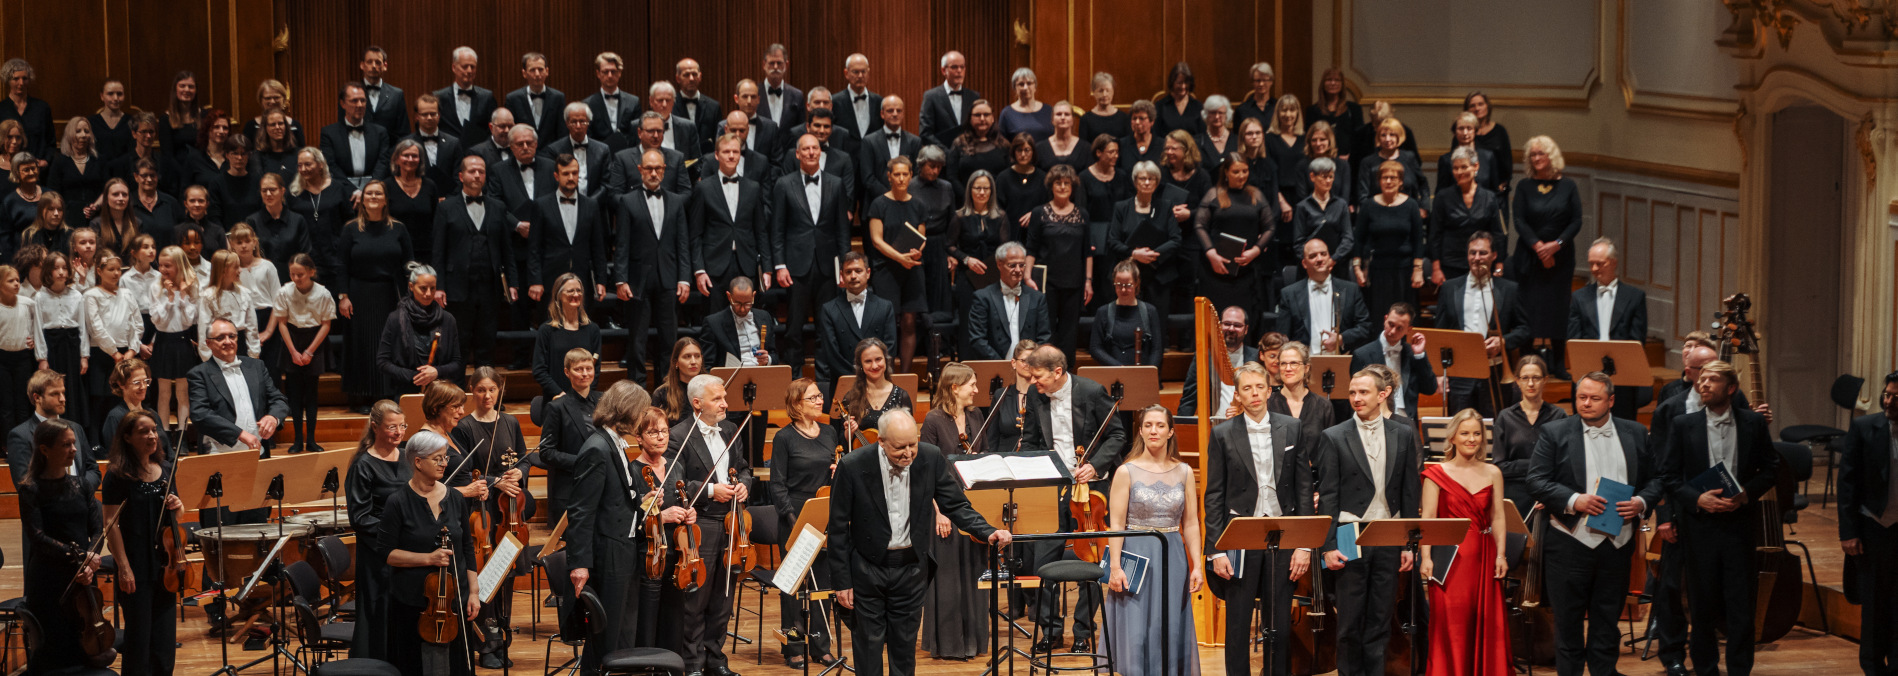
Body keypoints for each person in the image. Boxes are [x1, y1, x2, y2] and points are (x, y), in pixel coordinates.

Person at [829, 408, 1009, 676]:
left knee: (904, 650)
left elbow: (956, 504)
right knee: (868, 649)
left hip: (911, 569)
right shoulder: (853, 465)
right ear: (881, 441)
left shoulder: (930, 457)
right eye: (900, 447)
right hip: (868, 569)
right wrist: (842, 582)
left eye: (913, 444)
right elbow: (838, 528)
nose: (909, 453)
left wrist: (986, 531)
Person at [1527, 372, 1662, 676]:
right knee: (1568, 624)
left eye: (1594, 398)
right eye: (1581, 397)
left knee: (1606, 623)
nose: (1585, 404)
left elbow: (1656, 480)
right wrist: (1575, 499)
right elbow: (1535, 480)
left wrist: (1640, 502)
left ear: (1611, 400)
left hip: (1617, 544)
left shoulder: (1636, 433)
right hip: (1569, 543)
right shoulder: (1555, 432)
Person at [1657, 360, 1778, 676]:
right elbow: (1668, 476)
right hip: (1699, 526)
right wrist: (1698, 499)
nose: (1703, 384)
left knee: (1741, 606)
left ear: (1732, 388)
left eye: (1712, 380)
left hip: (1740, 526)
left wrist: (1746, 494)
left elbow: (1771, 468)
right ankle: (1706, 668)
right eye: (1702, 379)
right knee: (1702, 605)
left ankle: (1740, 669)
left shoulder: (1752, 423)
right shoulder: (1684, 424)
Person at [567, 380, 689, 671]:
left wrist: (643, 501)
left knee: (620, 633)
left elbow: (618, 500)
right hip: (609, 554)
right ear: (628, 412)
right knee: (606, 637)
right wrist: (579, 564)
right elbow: (581, 512)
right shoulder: (597, 448)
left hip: (622, 551)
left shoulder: (613, 444)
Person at [1021, 343, 1128, 653]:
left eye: (1038, 376)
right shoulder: (1035, 395)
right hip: (1053, 488)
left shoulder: (1092, 392)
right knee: (1044, 561)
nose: (1033, 382)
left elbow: (1117, 435)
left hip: (1090, 491)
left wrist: (1094, 466)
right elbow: (1030, 441)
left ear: (1058, 372)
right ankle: (1050, 630)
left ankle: (1083, 630)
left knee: (1092, 559)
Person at [1317, 368, 1423, 676]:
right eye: (1352, 392)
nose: (1356, 398)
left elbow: (1408, 493)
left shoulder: (1402, 433)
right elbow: (1328, 497)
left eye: (1363, 392)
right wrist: (1328, 546)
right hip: (1350, 533)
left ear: (1383, 394)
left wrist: (1408, 544)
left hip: (1388, 534)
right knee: (1349, 621)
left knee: (1380, 618)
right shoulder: (1334, 436)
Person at [1202, 363, 1304, 676]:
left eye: (1259, 387)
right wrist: (1216, 549)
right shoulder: (1222, 433)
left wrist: (1304, 546)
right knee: (1237, 625)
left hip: (1283, 535)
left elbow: (1303, 488)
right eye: (1247, 388)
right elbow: (1214, 495)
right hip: (1240, 537)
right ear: (1238, 394)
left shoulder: (1291, 426)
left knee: (1280, 626)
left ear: (1269, 390)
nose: (1254, 393)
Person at [665, 373, 754, 676]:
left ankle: (716, 659)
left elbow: (743, 469)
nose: (725, 404)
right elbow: (674, 485)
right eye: (718, 399)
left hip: (731, 523)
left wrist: (743, 485)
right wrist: (711, 490)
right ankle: (692, 663)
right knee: (695, 599)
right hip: (700, 524)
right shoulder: (679, 435)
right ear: (697, 402)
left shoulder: (730, 429)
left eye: (724, 398)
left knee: (723, 598)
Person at [378, 429, 481, 676]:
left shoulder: (455, 498)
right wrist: (428, 558)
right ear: (417, 461)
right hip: (412, 601)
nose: (444, 463)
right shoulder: (397, 502)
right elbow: (387, 553)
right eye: (437, 458)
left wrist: (474, 592)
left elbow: (467, 547)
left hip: (455, 600)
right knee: (415, 666)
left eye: (445, 457)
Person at [1418, 409, 1512, 676]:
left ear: (1483, 438)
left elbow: (1498, 516)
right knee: (1452, 624)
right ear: (1453, 437)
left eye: (1476, 434)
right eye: (1465, 433)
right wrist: (1426, 558)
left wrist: (1501, 555)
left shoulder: (1493, 472)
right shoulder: (1436, 474)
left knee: (1485, 622)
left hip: (1484, 556)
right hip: (1449, 560)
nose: (1471, 439)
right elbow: (1428, 519)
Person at [18, 418, 106, 674]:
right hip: (50, 580)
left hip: (84, 576)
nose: (74, 449)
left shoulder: (81, 485)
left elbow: (98, 529)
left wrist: (92, 559)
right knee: (54, 651)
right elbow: (38, 537)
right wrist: (80, 557)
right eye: (66, 445)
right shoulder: (31, 489)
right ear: (44, 449)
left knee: (84, 645)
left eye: (74, 443)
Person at [916, 364, 991, 661]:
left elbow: (984, 457)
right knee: (947, 577)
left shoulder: (976, 416)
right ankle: (948, 644)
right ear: (953, 388)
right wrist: (939, 513)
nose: (976, 389)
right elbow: (925, 471)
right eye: (971, 384)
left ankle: (973, 641)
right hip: (942, 509)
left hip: (972, 507)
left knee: (973, 572)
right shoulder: (934, 420)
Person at [101, 410, 183, 676]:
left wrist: (178, 505)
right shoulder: (117, 475)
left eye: (154, 430)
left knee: (164, 641)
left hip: (165, 566)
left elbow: (177, 517)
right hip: (135, 565)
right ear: (127, 437)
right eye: (143, 431)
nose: (152, 436)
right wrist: (123, 567)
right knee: (139, 640)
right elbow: (110, 524)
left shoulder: (166, 470)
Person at [769, 378, 842, 667]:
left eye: (819, 396)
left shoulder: (829, 432)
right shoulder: (784, 437)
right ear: (797, 404)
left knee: (822, 582)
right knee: (794, 587)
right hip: (794, 514)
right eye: (813, 398)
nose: (820, 401)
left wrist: (839, 473)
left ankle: (820, 646)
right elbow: (777, 484)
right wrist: (792, 518)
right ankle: (794, 647)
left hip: (822, 510)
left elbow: (833, 475)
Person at [770, 133, 852, 371]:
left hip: (827, 265)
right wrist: (779, 265)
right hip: (795, 266)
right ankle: (793, 381)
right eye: (805, 149)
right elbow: (777, 229)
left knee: (826, 326)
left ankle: (825, 379)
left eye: (814, 148)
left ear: (820, 152)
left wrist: (844, 268)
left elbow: (842, 232)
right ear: (797, 154)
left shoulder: (836, 183)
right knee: (794, 327)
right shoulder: (784, 184)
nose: (810, 152)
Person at [431, 155, 517, 367]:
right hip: (457, 287)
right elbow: (438, 251)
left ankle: (486, 396)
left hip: (490, 287)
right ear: (461, 176)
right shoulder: (446, 208)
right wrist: (438, 286)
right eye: (472, 171)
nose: (477, 175)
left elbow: (507, 250)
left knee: (487, 342)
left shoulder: (498, 206)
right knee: (458, 343)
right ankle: (456, 396)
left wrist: (513, 283)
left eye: (481, 171)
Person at [1839, 370, 1898, 676]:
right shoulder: (1864, 427)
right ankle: (1873, 668)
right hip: (1873, 527)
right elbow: (1847, 484)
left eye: (1896, 397)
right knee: (1874, 604)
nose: (1889, 401)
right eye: (1886, 395)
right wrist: (1848, 532)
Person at [1433, 232, 1529, 416]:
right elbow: (1440, 333)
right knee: (1459, 427)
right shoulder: (1449, 288)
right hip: (1460, 372)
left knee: (1494, 427)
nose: (1477, 258)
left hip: (1494, 372)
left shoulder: (1509, 289)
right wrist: (1439, 373)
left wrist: (1502, 342)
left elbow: (1524, 329)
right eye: (1472, 253)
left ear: (1494, 256)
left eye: (1483, 253)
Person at [613, 149, 690, 381]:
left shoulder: (676, 201)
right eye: (649, 168)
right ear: (640, 170)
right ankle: (637, 391)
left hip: (669, 277)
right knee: (637, 339)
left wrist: (684, 278)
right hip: (638, 279)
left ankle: (667, 391)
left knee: (670, 339)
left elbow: (682, 243)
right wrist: (620, 279)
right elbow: (622, 243)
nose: (653, 173)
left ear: (665, 170)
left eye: (658, 169)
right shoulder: (627, 201)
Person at [337, 186, 413, 410]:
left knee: (387, 344)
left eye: (378, 193)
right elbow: (341, 264)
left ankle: (386, 394)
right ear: (362, 199)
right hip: (358, 295)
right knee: (361, 345)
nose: (373, 197)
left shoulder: (398, 229)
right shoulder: (351, 229)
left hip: (389, 294)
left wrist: (412, 296)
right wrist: (343, 296)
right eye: (368, 193)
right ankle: (361, 396)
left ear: (385, 199)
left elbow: (409, 264)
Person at [1511, 135, 1581, 373]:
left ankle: (1559, 364)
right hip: (1530, 257)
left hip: (1560, 258)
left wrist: (1556, 245)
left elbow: (1576, 221)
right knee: (1527, 309)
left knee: (1558, 308)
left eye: (1541, 153)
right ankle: (1527, 363)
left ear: (1552, 156)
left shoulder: (1568, 186)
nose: (1537, 158)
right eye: (1533, 154)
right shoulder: (1524, 186)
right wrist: (1539, 246)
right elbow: (1519, 220)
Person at [346, 400, 407, 659]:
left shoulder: (407, 457)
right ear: (375, 427)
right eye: (392, 427)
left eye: (403, 426)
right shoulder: (362, 465)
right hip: (377, 554)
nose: (399, 432)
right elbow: (360, 518)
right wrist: (396, 530)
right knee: (378, 613)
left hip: (406, 551)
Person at [1568, 237, 1649, 418]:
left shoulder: (1634, 297)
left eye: (1600, 264)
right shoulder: (1579, 297)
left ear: (1613, 263)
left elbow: (1637, 340)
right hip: (1588, 375)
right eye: (1591, 264)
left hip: (1623, 377)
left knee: (1623, 425)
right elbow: (1574, 339)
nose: (1594, 269)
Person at [865, 155, 931, 371]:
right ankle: (888, 373)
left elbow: (921, 238)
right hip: (887, 269)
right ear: (889, 176)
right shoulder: (879, 203)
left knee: (910, 322)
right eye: (897, 174)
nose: (901, 178)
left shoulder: (918, 204)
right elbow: (876, 240)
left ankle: (905, 374)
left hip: (911, 268)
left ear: (911, 176)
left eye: (905, 174)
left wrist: (915, 254)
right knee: (889, 322)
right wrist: (899, 258)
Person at [689, 133, 768, 313]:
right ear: (716, 155)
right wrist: (699, 270)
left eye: (735, 151)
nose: (731, 155)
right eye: (726, 152)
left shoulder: (753, 187)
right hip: (714, 265)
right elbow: (695, 234)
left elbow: (761, 231)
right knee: (714, 320)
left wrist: (767, 269)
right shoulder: (703, 188)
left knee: (746, 321)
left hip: (745, 263)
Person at [186, 317, 286, 453]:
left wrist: (273, 417)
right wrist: (239, 434)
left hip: (258, 449)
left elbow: (278, 399)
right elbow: (200, 414)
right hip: (219, 452)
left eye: (232, 336)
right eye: (220, 338)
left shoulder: (256, 366)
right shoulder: (199, 374)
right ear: (208, 343)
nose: (228, 341)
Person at [1196, 152, 1277, 323]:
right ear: (1226, 172)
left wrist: (1255, 251)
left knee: (1247, 316)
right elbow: (1199, 225)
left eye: (1245, 171)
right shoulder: (1214, 194)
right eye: (1236, 172)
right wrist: (1211, 253)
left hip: (1246, 269)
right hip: (1217, 268)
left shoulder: (1255, 194)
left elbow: (1270, 226)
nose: (1242, 176)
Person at [1023, 165, 1091, 362]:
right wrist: (1027, 276)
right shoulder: (1039, 212)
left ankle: (1066, 372)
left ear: (1072, 186)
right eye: (1058, 183)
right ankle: (1046, 369)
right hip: (1046, 282)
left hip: (1075, 281)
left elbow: (1087, 251)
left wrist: (1088, 281)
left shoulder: (1082, 214)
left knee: (1070, 329)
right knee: (1047, 327)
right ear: (1051, 186)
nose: (1062, 186)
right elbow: (1031, 247)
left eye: (1066, 183)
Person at [267, 253, 333, 452]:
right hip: (292, 340)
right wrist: (294, 352)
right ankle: (297, 441)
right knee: (294, 395)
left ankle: (311, 440)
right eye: (292, 274)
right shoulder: (285, 291)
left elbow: (326, 324)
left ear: (311, 272)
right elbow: (282, 323)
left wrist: (309, 352)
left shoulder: (323, 293)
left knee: (311, 394)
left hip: (314, 340)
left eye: (300, 275)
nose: (296, 278)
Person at [816, 254, 898, 396]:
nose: (853, 276)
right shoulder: (829, 309)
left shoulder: (885, 306)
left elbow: (890, 347)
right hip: (844, 383)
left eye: (858, 271)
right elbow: (832, 354)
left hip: (878, 382)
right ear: (842, 275)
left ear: (868, 273)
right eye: (848, 272)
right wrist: (858, 378)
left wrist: (872, 373)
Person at [377, 263, 464, 394]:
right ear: (411, 286)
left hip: (439, 392)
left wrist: (436, 372)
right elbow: (383, 362)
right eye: (423, 288)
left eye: (432, 288)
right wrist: (416, 377)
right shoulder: (395, 319)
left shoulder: (447, 320)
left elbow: (457, 362)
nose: (428, 294)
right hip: (404, 391)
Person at [1492, 355, 1564, 513]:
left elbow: (1564, 464)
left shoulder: (1559, 416)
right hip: (1514, 494)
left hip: (1548, 493)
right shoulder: (1505, 417)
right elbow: (1498, 466)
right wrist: (1539, 464)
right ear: (1517, 381)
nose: (1530, 383)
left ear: (1545, 380)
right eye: (1525, 378)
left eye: (1536, 378)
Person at [7, 369, 100, 490]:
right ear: (37, 397)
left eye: (63, 393)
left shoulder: (76, 428)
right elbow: (25, 484)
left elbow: (92, 470)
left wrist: (78, 491)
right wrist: (65, 494)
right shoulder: (20, 435)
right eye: (54, 394)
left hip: (81, 505)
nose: (62, 399)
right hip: (47, 508)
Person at [1351, 161, 1425, 313]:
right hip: (1377, 270)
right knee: (1379, 313)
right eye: (1384, 178)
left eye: (1393, 178)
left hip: (1404, 270)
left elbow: (1418, 239)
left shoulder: (1411, 205)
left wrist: (1418, 270)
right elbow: (1359, 238)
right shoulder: (1368, 205)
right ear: (1379, 181)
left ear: (1401, 182)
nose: (1389, 181)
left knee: (1404, 315)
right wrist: (1357, 267)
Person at [1278, 238, 1372, 355]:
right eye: (1313, 256)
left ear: (1329, 258)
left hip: (1342, 362)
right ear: (1304, 263)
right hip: (1304, 365)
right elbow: (1283, 337)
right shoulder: (1289, 294)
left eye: (1323, 254)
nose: (1319, 259)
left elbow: (1364, 327)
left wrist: (1341, 338)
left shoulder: (1350, 290)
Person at [1429, 146, 1506, 285]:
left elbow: (1497, 233)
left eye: (1464, 167)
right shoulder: (1443, 197)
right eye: (1455, 168)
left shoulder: (1489, 197)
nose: (1459, 172)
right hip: (1450, 265)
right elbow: (1435, 234)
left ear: (1475, 166)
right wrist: (1436, 268)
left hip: (1481, 262)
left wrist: (1499, 265)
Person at [82, 250, 139, 431]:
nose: (116, 273)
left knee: (119, 397)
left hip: (125, 353)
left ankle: (117, 438)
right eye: (111, 269)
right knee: (99, 397)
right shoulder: (91, 295)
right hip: (103, 352)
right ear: (99, 271)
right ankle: (96, 441)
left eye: (118, 270)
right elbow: (95, 326)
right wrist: (114, 352)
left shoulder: (127, 294)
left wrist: (132, 349)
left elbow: (137, 323)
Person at [965, 241, 1051, 361]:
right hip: (995, 366)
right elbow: (977, 339)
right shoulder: (983, 297)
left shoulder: (1037, 298)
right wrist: (1002, 365)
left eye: (1022, 265)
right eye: (1012, 265)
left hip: (1029, 367)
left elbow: (1044, 337)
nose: (1018, 270)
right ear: (999, 265)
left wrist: (1028, 362)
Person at [1348, 303, 1436, 420]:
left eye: (1399, 328)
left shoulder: (1412, 353)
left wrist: (1419, 355)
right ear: (1385, 319)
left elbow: (1430, 389)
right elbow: (1357, 395)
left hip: (1406, 419)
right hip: (1375, 419)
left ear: (1408, 330)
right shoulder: (1362, 354)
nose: (1392, 331)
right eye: (1391, 324)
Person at [35, 250, 91, 428]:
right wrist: (42, 358)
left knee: (73, 390)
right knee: (52, 388)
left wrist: (84, 356)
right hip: (52, 346)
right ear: (48, 272)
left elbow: (82, 327)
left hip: (72, 346)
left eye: (64, 268)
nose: (60, 272)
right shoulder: (40, 296)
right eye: (56, 268)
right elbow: (37, 328)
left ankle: (74, 428)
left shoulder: (76, 295)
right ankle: (54, 428)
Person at [147, 246, 196, 433]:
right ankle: (164, 433)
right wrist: (169, 299)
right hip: (163, 341)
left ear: (179, 266)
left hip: (183, 340)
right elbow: (156, 319)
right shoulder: (155, 286)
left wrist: (182, 296)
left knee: (183, 393)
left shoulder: (190, 285)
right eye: (161, 265)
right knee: (164, 392)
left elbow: (188, 320)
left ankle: (182, 433)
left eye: (168, 265)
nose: (163, 269)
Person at [1178, 306, 1257, 418]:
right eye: (1227, 324)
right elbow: (1189, 398)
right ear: (1219, 326)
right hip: (1214, 424)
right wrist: (1182, 428)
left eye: (1237, 325)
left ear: (1246, 329)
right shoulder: (1205, 357)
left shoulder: (1256, 357)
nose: (1231, 329)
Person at [949, 170, 1007, 320]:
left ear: (991, 191)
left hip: (993, 276)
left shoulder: (1001, 216)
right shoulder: (960, 216)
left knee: (993, 320)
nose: (982, 192)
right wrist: (967, 259)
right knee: (968, 319)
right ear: (970, 190)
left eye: (986, 188)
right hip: (968, 274)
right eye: (977, 188)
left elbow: (1005, 248)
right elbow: (949, 245)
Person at [286, 147, 355, 273]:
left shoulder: (337, 188)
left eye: (308, 164)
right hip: (305, 257)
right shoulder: (294, 193)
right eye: (299, 165)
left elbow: (349, 221)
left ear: (320, 165)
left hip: (335, 255)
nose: (303, 169)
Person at [836, 337, 913, 441]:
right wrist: (848, 433)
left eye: (878, 359)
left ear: (886, 360)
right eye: (868, 361)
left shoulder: (901, 396)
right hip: (861, 455)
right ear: (861, 366)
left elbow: (909, 435)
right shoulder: (851, 398)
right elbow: (842, 442)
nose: (874, 365)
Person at [320, 82, 394, 189]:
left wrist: (370, 189)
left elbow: (383, 163)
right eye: (354, 101)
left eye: (362, 100)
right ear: (343, 104)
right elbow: (331, 166)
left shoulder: (380, 132)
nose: (359, 105)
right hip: (342, 189)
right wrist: (352, 191)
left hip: (374, 189)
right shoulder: (329, 133)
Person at [1089, 260, 1163, 366]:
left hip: (1142, 375)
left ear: (1136, 283)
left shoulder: (1150, 311)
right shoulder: (1103, 312)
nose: (1123, 289)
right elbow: (1095, 348)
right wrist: (1120, 368)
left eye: (1128, 285)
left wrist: (1148, 372)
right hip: (1113, 375)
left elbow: (1156, 350)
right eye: (1119, 284)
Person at [857, 96, 921, 207]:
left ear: (903, 114)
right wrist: (890, 197)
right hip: (876, 204)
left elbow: (916, 174)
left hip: (907, 204)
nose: (895, 114)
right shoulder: (868, 141)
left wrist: (902, 195)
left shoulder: (915, 141)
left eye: (899, 111)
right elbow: (868, 178)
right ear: (882, 114)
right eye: (890, 110)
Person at [1271, 342, 1335, 451]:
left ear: (1306, 368)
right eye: (1283, 363)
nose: (1288, 368)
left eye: (1294, 363)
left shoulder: (1323, 406)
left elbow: (1330, 448)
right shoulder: (1268, 404)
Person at [401, 95, 463, 203]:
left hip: (449, 202)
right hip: (417, 202)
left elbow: (459, 176)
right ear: (416, 116)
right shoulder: (405, 144)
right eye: (424, 114)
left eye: (433, 114)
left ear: (439, 115)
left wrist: (449, 199)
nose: (429, 117)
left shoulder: (453, 143)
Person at [1291, 157, 1352, 265]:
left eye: (1331, 177)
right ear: (1312, 177)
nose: (1328, 181)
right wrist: (1314, 261)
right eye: (1324, 177)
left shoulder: (1341, 204)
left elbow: (1347, 238)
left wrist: (1333, 259)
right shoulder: (1303, 206)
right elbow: (1298, 242)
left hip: (1336, 264)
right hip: (1311, 266)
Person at [436, 46, 500, 146]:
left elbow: (493, 130)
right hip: (449, 154)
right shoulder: (439, 97)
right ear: (454, 67)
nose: (469, 71)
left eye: (472, 67)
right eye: (465, 66)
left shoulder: (487, 97)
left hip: (478, 153)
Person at [1464, 92, 1513, 215]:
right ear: (1467, 110)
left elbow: (1508, 162)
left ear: (1487, 106)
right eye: (1472, 105)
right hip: (1470, 192)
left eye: (1480, 104)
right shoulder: (1464, 133)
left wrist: (1503, 185)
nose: (1477, 108)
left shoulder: (1500, 131)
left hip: (1496, 192)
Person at [503, 52, 566, 146]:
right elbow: (511, 132)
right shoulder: (513, 99)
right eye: (532, 70)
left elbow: (562, 131)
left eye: (540, 69)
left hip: (551, 155)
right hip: (523, 152)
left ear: (547, 71)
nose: (537, 74)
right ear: (524, 73)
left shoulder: (558, 97)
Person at [995, 135, 1048, 235]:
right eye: (1019, 150)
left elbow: (1049, 206)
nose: (1023, 154)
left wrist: (1036, 214)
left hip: (1036, 232)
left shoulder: (1043, 178)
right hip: (1009, 232)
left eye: (1027, 150)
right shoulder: (1003, 177)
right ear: (1014, 152)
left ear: (1033, 152)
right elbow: (997, 209)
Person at [354, 46, 410, 138]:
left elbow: (403, 132)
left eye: (378, 62)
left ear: (385, 66)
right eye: (369, 62)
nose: (374, 66)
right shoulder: (351, 94)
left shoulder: (396, 95)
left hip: (389, 150)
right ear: (362, 65)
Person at [654, 337, 706, 427]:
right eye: (687, 356)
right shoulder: (662, 394)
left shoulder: (711, 390)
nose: (693, 361)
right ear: (676, 362)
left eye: (697, 356)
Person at [155, 71, 202, 159]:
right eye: (182, 86)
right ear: (175, 89)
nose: (187, 90)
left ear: (196, 91)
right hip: (176, 170)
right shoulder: (165, 120)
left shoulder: (204, 116)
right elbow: (167, 155)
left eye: (191, 87)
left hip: (200, 169)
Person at [1035, 101, 1091, 172]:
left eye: (1067, 114)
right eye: (1058, 114)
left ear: (1073, 119)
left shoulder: (1086, 149)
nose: (1063, 117)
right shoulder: (1040, 149)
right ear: (1052, 119)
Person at [89, 80, 135, 165]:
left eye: (119, 94)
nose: (116, 98)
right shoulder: (91, 122)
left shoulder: (132, 121)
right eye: (110, 94)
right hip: (99, 172)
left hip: (125, 172)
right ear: (102, 96)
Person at [1080, 73, 1130, 148]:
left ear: (1113, 91)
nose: (1104, 94)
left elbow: (1127, 146)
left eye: (1108, 90)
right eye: (1100, 91)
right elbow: (1084, 148)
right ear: (1093, 92)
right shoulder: (1086, 119)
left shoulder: (1123, 118)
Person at [1117, 100, 1164, 172]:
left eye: (1141, 118)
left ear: (1152, 122)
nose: (1137, 122)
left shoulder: (1162, 145)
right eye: (1134, 118)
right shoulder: (1122, 144)